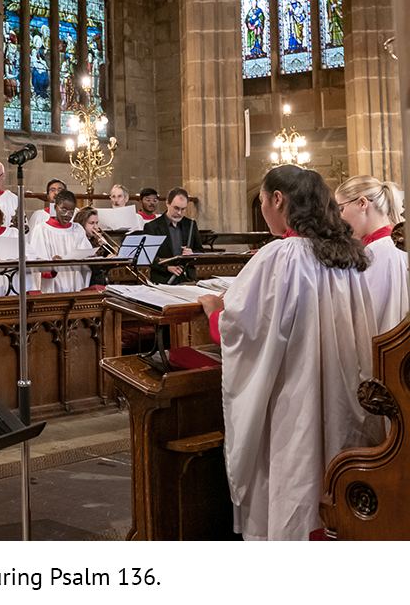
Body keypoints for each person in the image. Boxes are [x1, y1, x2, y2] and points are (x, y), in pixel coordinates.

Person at [198, 165, 385, 541]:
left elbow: (242, 331)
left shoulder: (280, 255)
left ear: (278, 200)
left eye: (262, 201)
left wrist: (214, 311)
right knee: (332, 469)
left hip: (296, 395)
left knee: (297, 473)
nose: (263, 208)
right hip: (343, 392)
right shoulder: (346, 256)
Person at [336, 174, 408, 334]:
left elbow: (367, 314)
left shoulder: (377, 251)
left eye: (341, 209)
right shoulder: (398, 243)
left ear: (362, 203)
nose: (340, 217)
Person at [27, 190, 94, 293]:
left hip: (74, 282)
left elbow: (85, 255)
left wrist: (90, 256)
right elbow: (36, 264)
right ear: (55, 207)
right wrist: (52, 265)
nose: (67, 215)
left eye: (71, 211)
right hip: (52, 285)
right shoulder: (41, 229)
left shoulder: (77, 229)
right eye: (64, 210)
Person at [143, 187, 204, 284]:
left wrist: (192, 253)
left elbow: (200, 251)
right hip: (163, 279)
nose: (179, 213)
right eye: (176, 208)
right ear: (167, 203)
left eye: (183, 209)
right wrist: (167, 267)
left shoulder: (191, 225)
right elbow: (148, 256)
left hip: (187, 279)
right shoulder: (152, 227)